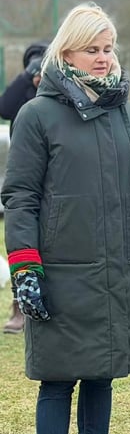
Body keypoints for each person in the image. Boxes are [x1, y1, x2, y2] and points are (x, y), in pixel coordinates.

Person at [1, 2, 130, 434]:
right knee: (57, 383)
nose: (102, 57)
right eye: (91, 48)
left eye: (108, 48)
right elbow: (20, 196)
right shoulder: (36, 116)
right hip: (60, 274)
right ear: (67, 54)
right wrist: (24, 268)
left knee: (102, 378)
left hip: (117, 272)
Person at [0, 40, 48, 335]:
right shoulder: (24, 94)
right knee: (21, 240)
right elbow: (4, 108)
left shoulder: (55, 93)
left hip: (52, 175)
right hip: (23, 174)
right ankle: (18, 306)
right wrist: (24, 77)